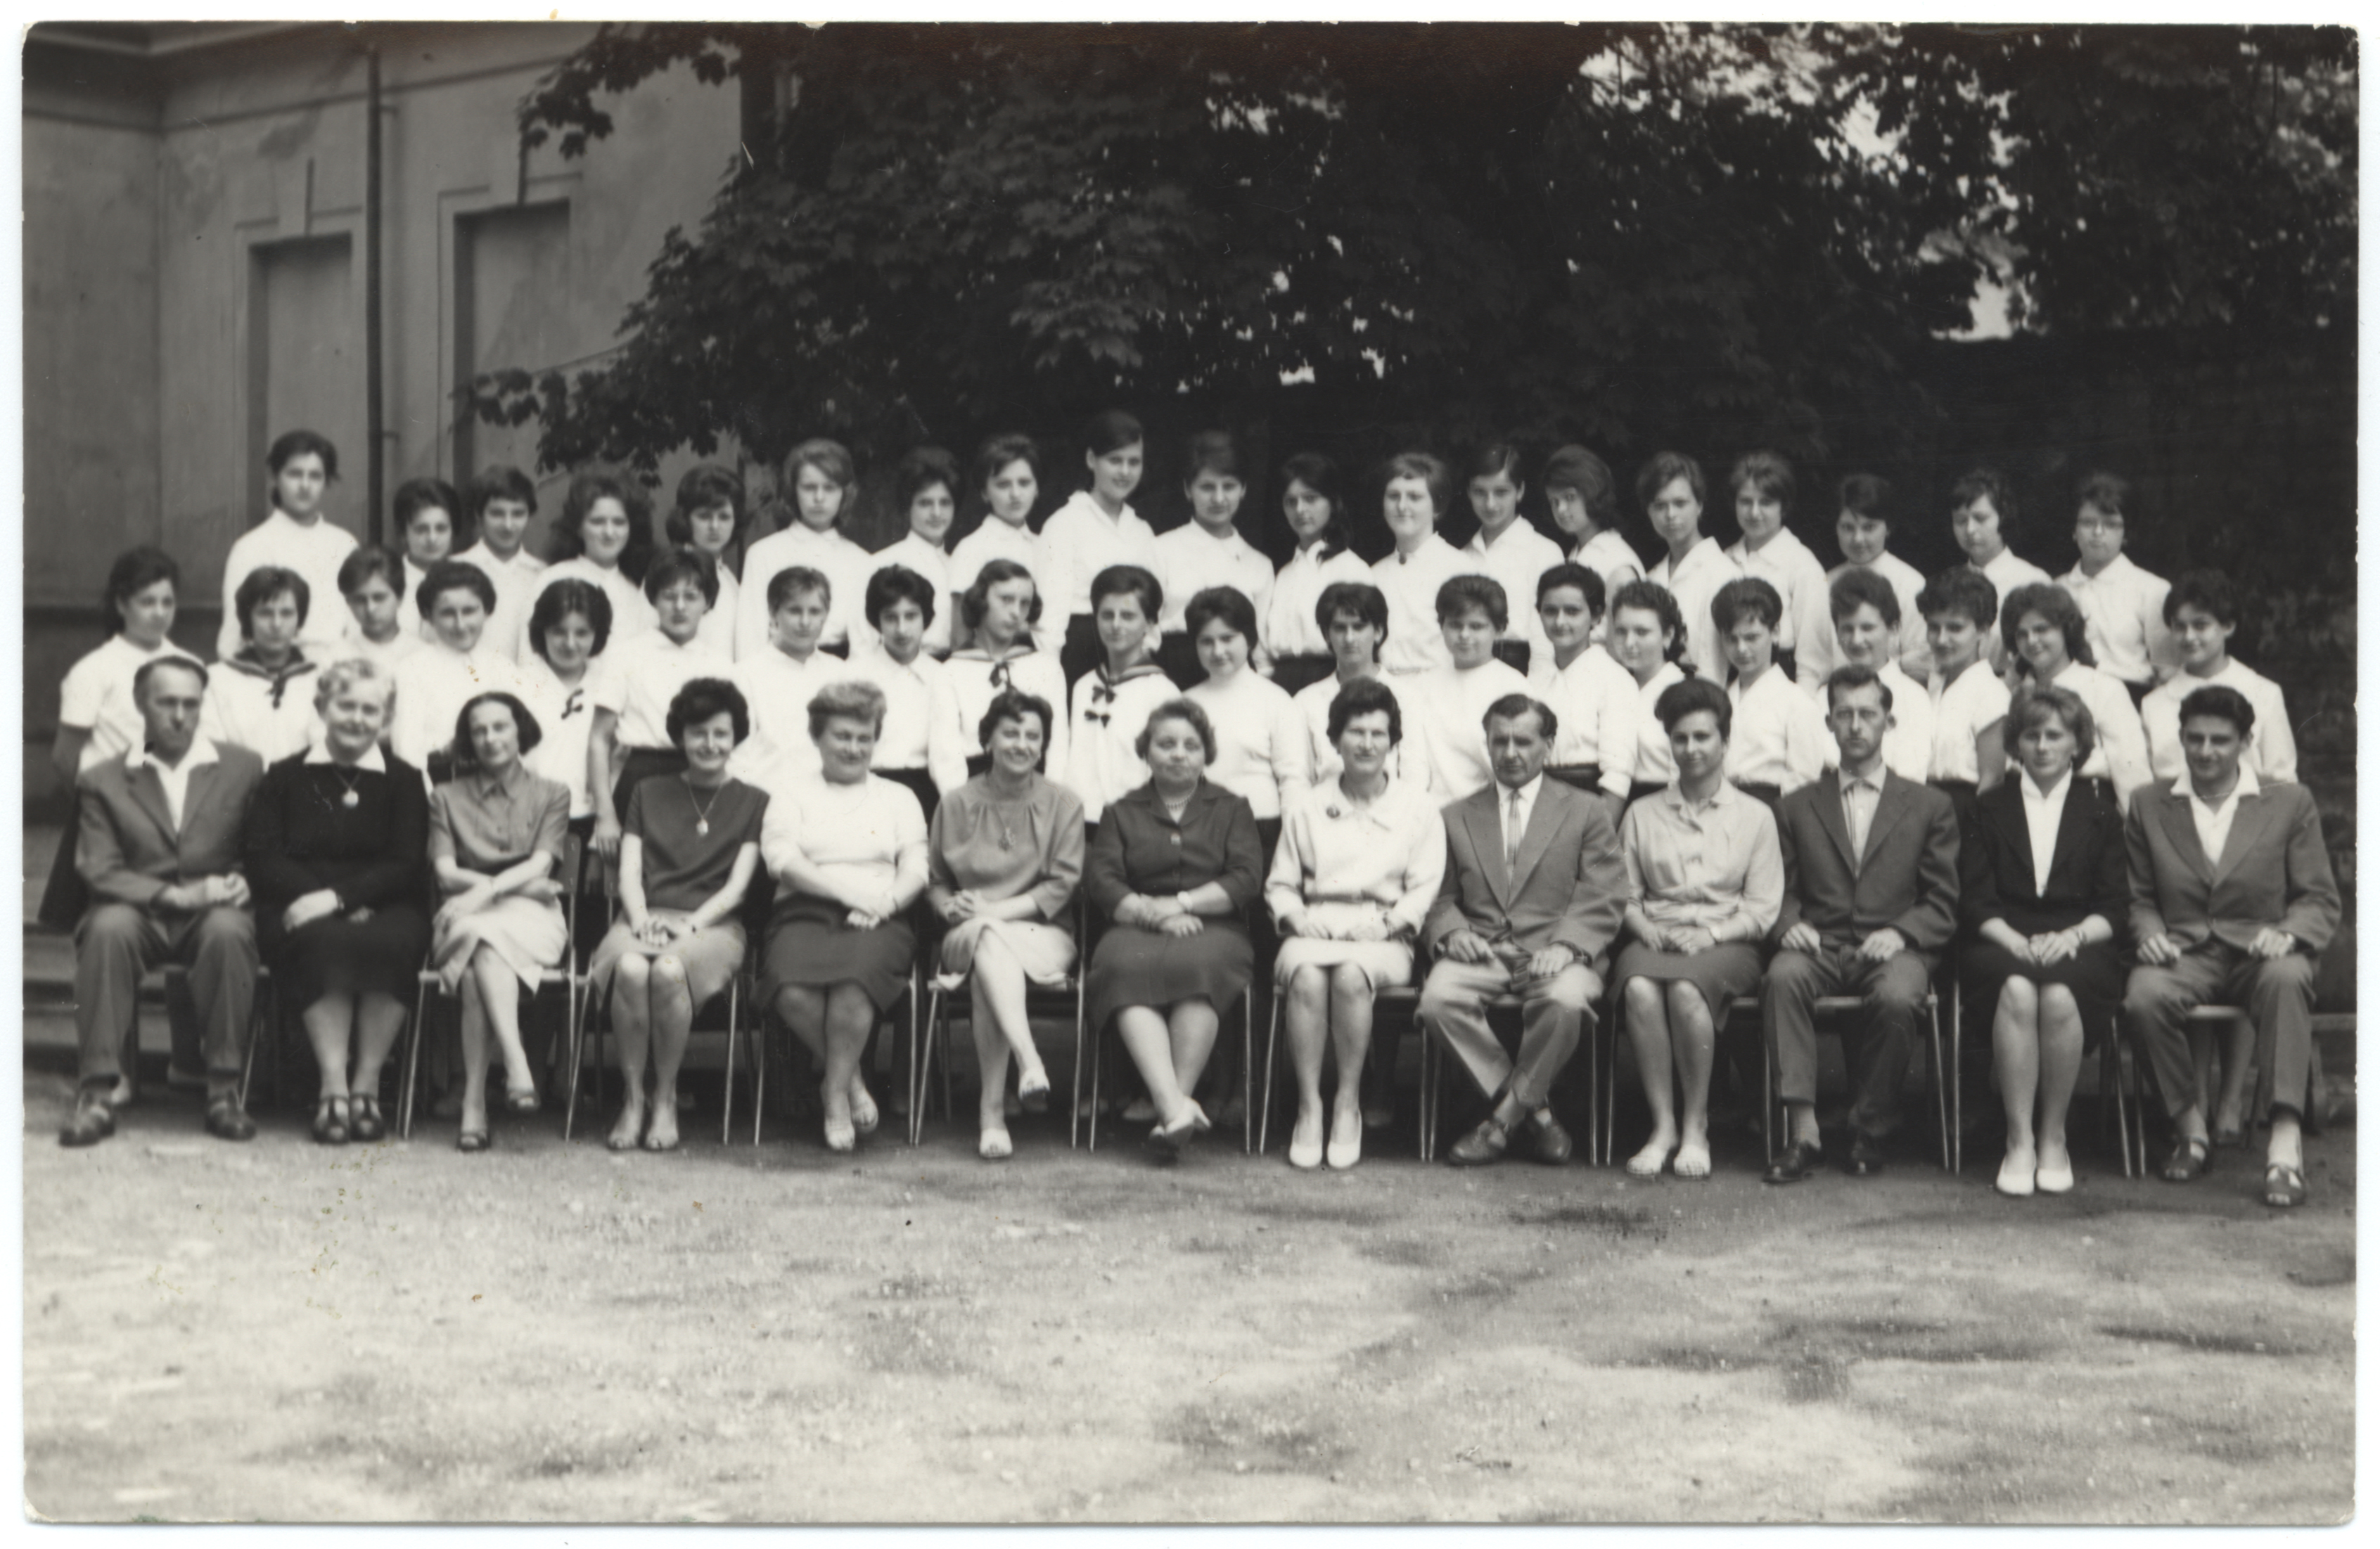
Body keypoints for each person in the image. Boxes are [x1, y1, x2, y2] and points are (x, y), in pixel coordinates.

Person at [2123, 685, 2339, 1209]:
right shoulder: (2149, 803)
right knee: (2144, 996)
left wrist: (2289, 932)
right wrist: (2149, 934)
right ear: (2180, 738)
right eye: (2194, 738)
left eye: (2220, 740)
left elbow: (2318, 896)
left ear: (2245, 741)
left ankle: (2284, 1143)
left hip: (2260, 951)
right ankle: (2190, 1130)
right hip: (2185, 952)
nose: (2205, 751)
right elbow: (2139, 897)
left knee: (2289, 977)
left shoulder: (2288, 801)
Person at [1760, 666, 1961, 1183]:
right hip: (1820, 945)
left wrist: (1902, 933)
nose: (1855, 725)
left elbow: (1943, 897)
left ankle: (1871, 1127)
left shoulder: (1929, 805)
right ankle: (1804, 1134)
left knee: (1898, 996)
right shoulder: (1795, 806)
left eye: (1867, 714)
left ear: (1888, 722)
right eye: (1844, 714)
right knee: (1783, 977)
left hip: (1895, 946)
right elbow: (1778, 889)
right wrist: (1787, 922)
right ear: (1828, 722)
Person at [58, 658, 264, 1148]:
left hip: (213, 909)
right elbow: (99, 867)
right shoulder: (103, 778)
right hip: (138, 908)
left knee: (230, 932)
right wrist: (173, 895)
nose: (179, 716)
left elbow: (264, 847)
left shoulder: (243, 767)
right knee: (105, 930)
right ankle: (97, 1093)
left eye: (191, 704)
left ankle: (223, 1091)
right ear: (140, 703)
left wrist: (249, 880)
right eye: (166, 702)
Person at [1419, 693, 1626, 1166]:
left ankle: (1501, 1121)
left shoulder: (1587, 810)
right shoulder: (1454, 815)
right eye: (1500, 741)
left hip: (1556, 951)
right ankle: (1538, 1113)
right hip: (1482, 950)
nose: (1511, 752)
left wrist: (1568, 945)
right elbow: (1437, 895)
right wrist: (1452, 933)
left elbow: (1605, 891)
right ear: (1488, 744)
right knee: (1437, 1001)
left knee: (1567, 999)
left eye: (1524, 741)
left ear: (1548, 745)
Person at [245, 659, 433, 1147]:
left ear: (386, 717)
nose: (357, 718)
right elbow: (265, 856)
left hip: (385, 903)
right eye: (346, 705)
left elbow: (405, 862)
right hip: (297, 902)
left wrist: (340, 899)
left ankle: (367, 1084)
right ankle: (333, 1085)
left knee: (394, 941)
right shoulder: (284, 776)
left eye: (370, 709)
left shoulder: (405, 780)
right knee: (324, 940)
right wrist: (323, 901)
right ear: (322, 707)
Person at [1267, 678, 1445, 1170]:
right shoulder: (1307, 805)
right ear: (1335, 739)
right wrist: (1299, 918)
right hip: (1316, 924)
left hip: (1382, 931)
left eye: (1378, 733)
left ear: (1393, 741)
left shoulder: (1418, 807)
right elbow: (1281, 883)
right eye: (1355, 732)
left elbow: (1424, 887)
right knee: (1306, 975)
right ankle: (1310, 1107)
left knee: (1350, 975)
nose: (1367, 744)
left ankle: (1348, 1103)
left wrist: (1388, 924)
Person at [1959, 685, 2129, 1197]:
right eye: (2031, 734)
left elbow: (2114, 908)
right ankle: (2019, 1141)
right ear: (2016, 742)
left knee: (2057, 993)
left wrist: (2072, 936)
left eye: (2055, 735)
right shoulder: (1987, 807)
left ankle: (2054, 1135)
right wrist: (2013, 941)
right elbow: (1974, 900)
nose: (2042, 746)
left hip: (2080, 941)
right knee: (2016, 989)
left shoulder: (2102, 810)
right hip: (1999, 937)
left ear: (2077, 743)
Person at [586, 679, 768, 1153]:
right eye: (698, 733)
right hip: (644, 915)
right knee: (630, 967)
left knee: (668, 970)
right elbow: (629, 872)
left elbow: (737, 887)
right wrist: (640, 919)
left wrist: (690, 924)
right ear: (680, 737)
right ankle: (633, 1098)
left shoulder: (753, 801)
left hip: (712, 924)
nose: (710, 743)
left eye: (721, 733)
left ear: (736, 736)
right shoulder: (646, 791)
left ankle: (665, 1097)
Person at [1616, 678, 1785, 1178]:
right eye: (1681, 738)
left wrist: (1712, 935)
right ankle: (1662, 1126)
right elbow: (1623, 894)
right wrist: (1642, 927)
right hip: (1656, 935)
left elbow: (1763, 907)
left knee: (1688, 989)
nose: (1691, 748)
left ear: (1725, 742)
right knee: (1640, 987)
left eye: (1703, 737)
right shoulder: (1642, 813)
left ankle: (1696, 1125)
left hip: (1727, 941)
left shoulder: (1756, 816)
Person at [1084, 698, 1265, 1156]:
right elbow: (1103, 880)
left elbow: (1245, 878)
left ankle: (1171, 1105)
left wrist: (1183, 903)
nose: (1179, 754)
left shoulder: (1232, 807)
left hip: (1213, 929)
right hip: (1135, 925)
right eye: (1166, 744)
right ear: (1147, 751)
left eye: (1191, 745)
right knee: (1122, 968)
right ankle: (1175, 1109)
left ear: (1207, 753)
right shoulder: (1121, 811)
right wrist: (1152, 913)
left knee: (1198, 969)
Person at [760, 681, 930, 1152]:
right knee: (790, 987)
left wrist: (886, 903)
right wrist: (849, 894)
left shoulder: (899, 796)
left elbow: (917, 866)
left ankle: (833, 1095)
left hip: (880, 916)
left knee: (855, 982)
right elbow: (781, 860)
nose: (854, 748)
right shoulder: (790, 792)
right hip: (803, 910)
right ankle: (851, 1079)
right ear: (817, 736)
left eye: (864, 737)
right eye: (842, 736)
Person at [926, 689, 1087, 1159]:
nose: (1022, 744)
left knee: (989, 954)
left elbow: (1061, 886)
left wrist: (992, 913)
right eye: (1011, 733)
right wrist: (948, 908)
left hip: (1042, 932)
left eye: (1033, 736)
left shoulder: (1064, 804)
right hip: (966, 931)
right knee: (987, 941)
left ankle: (992, 1112)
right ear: (988, 740)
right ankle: (1027, 1058)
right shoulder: (955, 803)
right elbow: (936, 881)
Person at [426, 693, 572, 1151]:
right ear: (468, 740)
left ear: (520, 730)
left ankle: (474, 1103)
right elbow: (445, 873)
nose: (490, 738)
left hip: (529, 919)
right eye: (479, 730)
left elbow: (542, 864)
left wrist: (486, 890)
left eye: (500, 727)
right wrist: (514, 888)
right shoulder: (445, 797)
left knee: (477, 965)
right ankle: (516, 1063)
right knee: (482, 942)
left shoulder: (553, 793)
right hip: (465, 913)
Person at [42, 547, 208, 937]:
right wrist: (101, 801)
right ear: (121, 604)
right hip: (115, 809)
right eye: (147, 602)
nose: (159, 612)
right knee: (113, 917)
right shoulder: (94, 670)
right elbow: (65, 757)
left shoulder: (190, 665)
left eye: (167, 602)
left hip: (176, 806)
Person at [589, 548, 733, 862]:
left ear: (708, 601)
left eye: (691, 596)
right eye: (669, 596)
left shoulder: (720, 665)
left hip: (701, 778)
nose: (679, 606)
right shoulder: (626, 656)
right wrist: (605, 815)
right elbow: (599, 739)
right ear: (654, 599)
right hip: (641, 777)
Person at [2002, 582, 2152, 811]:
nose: (2031, 641)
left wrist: (2133, 826)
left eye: (2042, 630)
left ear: (2066, 629)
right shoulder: (2011, 691)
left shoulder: (2103, 687)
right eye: (2022, 634)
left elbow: (2131, 771)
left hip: (2085, 803)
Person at [2141, 569, 2297, 785]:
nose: (2189, 637)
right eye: (2180, 627)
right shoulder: (2155, 704)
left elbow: (2283, 780)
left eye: (2200, 626)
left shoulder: (2264, 694)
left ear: (2228, 627)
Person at [1182, 586, 1310, 849]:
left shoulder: (1276, 701)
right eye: (1206, 641)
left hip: (1261, 832)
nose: (1217, 651)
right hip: (1198, 833)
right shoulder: (1184, 704)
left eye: (1227, 638)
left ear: (1249, 638)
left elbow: (1294, 781)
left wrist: (1291, 847)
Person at [930, 559, 1070, 795]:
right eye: (1006, 599)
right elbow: (945, 758)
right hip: (974, 791)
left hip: (1036, 790)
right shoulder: (951, 671)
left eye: (1025, 603)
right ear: (981, 601)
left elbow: (1058, 749)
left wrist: (1048, 802)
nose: (1016, 612)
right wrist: (967, 807)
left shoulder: (1047, 667)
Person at [1039, 411, 1158, 684]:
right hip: (1079, 653)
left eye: (1134, 462)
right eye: (1115, 460)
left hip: (1133, 656)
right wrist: (1050, 676)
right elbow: (1050, 616)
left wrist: (1146, 657)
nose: (1125, 472)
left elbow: (1152, 610)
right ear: (1092, 460)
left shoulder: (1142, 531)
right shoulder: (1064, 523)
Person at [217, 428, 355, 661]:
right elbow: (234, 635)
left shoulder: (344, 544)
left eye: (315, 476)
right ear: (275, 477)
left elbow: (357, 627)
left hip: (341, 666)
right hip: (276, 666)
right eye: (294, 474)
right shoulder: (251, 547)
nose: (305, 485)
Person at [1154, 430, 1277, 683]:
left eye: (1229, 486)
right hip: (1173, 670)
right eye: (1207, 487)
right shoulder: (1161, 549)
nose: (1219, 498)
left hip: (1236, 676)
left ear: (1243, 489)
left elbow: (1261, 650)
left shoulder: (1259, 564)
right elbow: (1145, 630)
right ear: (1188, 489)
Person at [735, 439, 871, 661]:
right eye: (809, 487)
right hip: (776, 669)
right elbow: (750, 639)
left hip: (839, 672)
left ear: (844, 494)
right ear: (793, 491)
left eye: (829, 488)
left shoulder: (861, 560)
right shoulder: (763, 554)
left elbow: (864, 645)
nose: (819, 498)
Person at [1063, 564, 1177, 826]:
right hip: (1079, 823)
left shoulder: (1161, 691)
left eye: (1128, 616)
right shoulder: (1083, 686)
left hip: (1134, 826)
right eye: (1107, 615)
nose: (1115, 625)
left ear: (1149, 623)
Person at [842, 565, 953, 823]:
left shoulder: (942, 676)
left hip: (927, 792)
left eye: (911, 616)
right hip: (867, 790)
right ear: (877, 621)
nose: (902, 629)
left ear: (926, 618)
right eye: (891, 618)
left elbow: (948, 758)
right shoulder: (854, 675)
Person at [1404, 575, 1530, 800]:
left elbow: (1517, 772)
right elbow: (1413, 766)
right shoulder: (1422, 686)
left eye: (1476, 626)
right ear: (1442, 626)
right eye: (1455, 625)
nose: (1464, 635)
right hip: (1431, 811)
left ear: (1499, 629)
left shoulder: (1513, 686)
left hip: (1492, 810)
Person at [2057, 472, 2175, 703]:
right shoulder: (2057, 589)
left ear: (2126, 533)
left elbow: (2167, 670)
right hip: (2065, 701)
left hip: (2131, 698)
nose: (2098, 532)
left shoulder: (2152, 590)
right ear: (2074, 530)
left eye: (2110, 525)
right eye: (2088, 523)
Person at [728, 567, 852, 786]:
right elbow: (738, 758)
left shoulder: (839, 672)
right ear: (774, 613)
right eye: (794, 611)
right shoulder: (746, 674)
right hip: (769, 793)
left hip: (831, 794)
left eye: (815, 612)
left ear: (825, 615)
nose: (805, 622)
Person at [1527, 564, 1639, 806]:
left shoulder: (1614, 679)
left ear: (1597, 617)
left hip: (1588, 801)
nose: (1560, 621)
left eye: (1572, 611)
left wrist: (1600, 830)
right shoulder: (1534, 681)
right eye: (1550, 611)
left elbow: (1618, 775)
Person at [1711, 577, 1828, 809]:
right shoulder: (1719, 700)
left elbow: (1804, 780)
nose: (1741, 649)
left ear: (1775, 632)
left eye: (1751, 637)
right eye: (1731, 639)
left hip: (1773, 809)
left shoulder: (1796, 702)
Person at [520, 468, 659, 661]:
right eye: (598, 522)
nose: (609, 532)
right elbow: (530, 656)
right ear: (578, 527)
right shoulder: (553, 578)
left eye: (619, 522)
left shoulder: (637, 587)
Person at [1262, 452, 1371, 695]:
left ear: (1332, 502)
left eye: (1310, 499)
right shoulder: (1285, 573)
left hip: (1329, 679)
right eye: (1291, 501)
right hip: (1281, 682)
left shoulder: (1350, 568)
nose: (1300, 509)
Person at [1723, 452, 1833, 690]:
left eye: (1766, 502)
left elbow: (1813, 662)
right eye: (1746, 502)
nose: (1754, 513)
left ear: (1783, 506)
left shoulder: (1802, 565)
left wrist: (1800, 703)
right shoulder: (1724, 559)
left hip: (1783, 681)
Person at [513, 577, 613, 837]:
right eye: (559, 631)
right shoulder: (519, 683)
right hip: (532, 818)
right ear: (542, 630)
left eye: (582, 633)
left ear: (597, 633)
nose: (570, 643)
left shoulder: (609, 682)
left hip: (594, 820)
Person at [1809, 472, 1931, 682]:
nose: (1858, 539)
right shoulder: (1825, 583)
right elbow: (1815, 659)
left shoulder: (1910, 584)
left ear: (1888, 527)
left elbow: (1920, 662)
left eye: (1869, 527)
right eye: (1848, 527)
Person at [389, 561, 505, 777]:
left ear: (487, 610)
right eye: (447, 613)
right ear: (428, 615)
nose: (460, 625)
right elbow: (406, 752)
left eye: (469, 611)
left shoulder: (503, 668)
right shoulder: (412, 670)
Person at [1292, 581, 1411, 789]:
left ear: (1378, 631)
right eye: (1340, 628)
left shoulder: (1406, 695)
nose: (1349, 638)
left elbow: (1413, 774)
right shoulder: (1305, 702)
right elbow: (1300, 778)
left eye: (1358, 627)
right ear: (1327, 635)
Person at [199, 567, 321, 766]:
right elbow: (214, 750)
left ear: (299, 619)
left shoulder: (320, 679)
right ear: (248, 618)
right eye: (265, 613)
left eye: (287, 613)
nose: (277, 624)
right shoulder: (216, 681)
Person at [948, 433, 1055, 656]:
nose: (1015, 494)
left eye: (1024, 483)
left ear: (1037, 488)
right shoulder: (972, 549)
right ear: (985, 492)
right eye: (1003, 485)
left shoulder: (1045, 546)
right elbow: (960, 636)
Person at [1457, 442, 1559, 671]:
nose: (1490, 504)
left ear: (1520, 491)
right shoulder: (1461, 557)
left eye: (1501, 492)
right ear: (1469, 492)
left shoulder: (1543, 551)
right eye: (1480, 492)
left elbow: (1545, 639)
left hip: (1522, 667)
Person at [1639, 451, 1740, 686]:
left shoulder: (1722, 574)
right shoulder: (1652, 578)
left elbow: (1713, 669)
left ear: (1699, 506)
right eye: (1660, 505)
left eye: (1680, 503)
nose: (1670, 515)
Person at [1825, 568, 1933, 784]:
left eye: (1867, 628)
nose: (1856, 640)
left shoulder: (1913, 697)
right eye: (1847, 629)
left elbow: (1911, 779)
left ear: (1893, 629)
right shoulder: (1823, 697)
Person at [1370, 451, 1473, 676]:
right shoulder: (1374, 574)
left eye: (1414, 497)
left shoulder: (1460, 569)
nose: (1401, 506)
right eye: (1393, 496)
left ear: (1437, 508)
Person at [861, 446, 961, 659]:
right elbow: (863, 643)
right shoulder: (881, 563)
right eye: (925, 503)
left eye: (945, 503)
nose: (936, 513)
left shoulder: (959, 564)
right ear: (908, 506)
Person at [1948, 468, 2052, 671]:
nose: (1970, 530)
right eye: (1960, 521)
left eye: (1980, 519)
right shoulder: (1949, 582)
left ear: (2003, 517)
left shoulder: (2032, 581)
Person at [1542, 444, 1642, 636]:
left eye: (1570, 497)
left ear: (1592, 493)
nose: (1561, 509)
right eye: (1554, 501)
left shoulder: (1616, 560)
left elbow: (1623, 644)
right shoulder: (1576, 553)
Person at [1605, 579, 1691, 802]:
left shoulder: (1683, 691)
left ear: (1668, 635)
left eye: (1642, 632)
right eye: (1621, 631)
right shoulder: (1613, 686)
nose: (1629, 642)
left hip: (1665, 804)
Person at [452, 464, 547, 661]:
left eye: (518, 514)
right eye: (497, 514)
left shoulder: (542, 574)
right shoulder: (456, 569)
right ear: (479, 515)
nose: (508, 525)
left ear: (529, 517)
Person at [667, 463, 746, 658]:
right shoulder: (671, 571)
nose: (715, 526)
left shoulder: (727, 576)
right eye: (704, 516)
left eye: (724, 517)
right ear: (686, 518)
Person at [390, 476, 461, 641]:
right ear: (403, 533)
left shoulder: (467, 581)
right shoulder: (389, 582)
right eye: (421, 529)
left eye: (441, 528)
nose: (432, 539)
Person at [334, 546, 425, 674]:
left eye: (379, 598)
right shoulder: (337, 657)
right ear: (349, 602)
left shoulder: (421, 654)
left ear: (400, 597)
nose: (370, 609)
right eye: (360, 600)